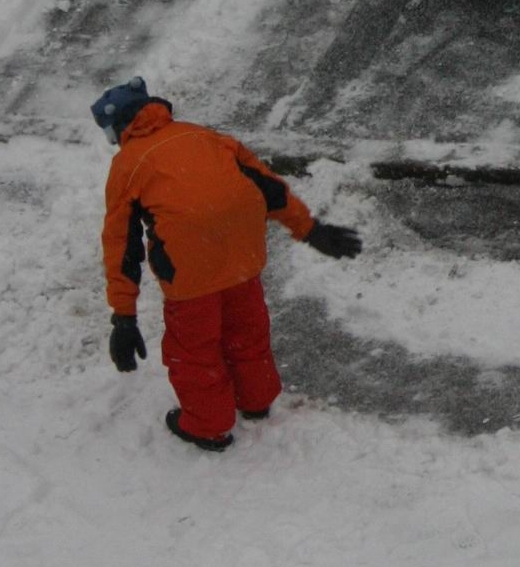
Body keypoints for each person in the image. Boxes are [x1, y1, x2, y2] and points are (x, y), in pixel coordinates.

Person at [92, 76, 361, 452]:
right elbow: (267, 185)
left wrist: (124, 317)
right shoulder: (205, 136)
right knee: (246, 332)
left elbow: (121, 244)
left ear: (119, 126)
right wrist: (310, 229)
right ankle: (256, 399)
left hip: (191, 274)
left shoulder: (128, 165)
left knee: (195, 350)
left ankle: (207, 426)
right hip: (242, 259)